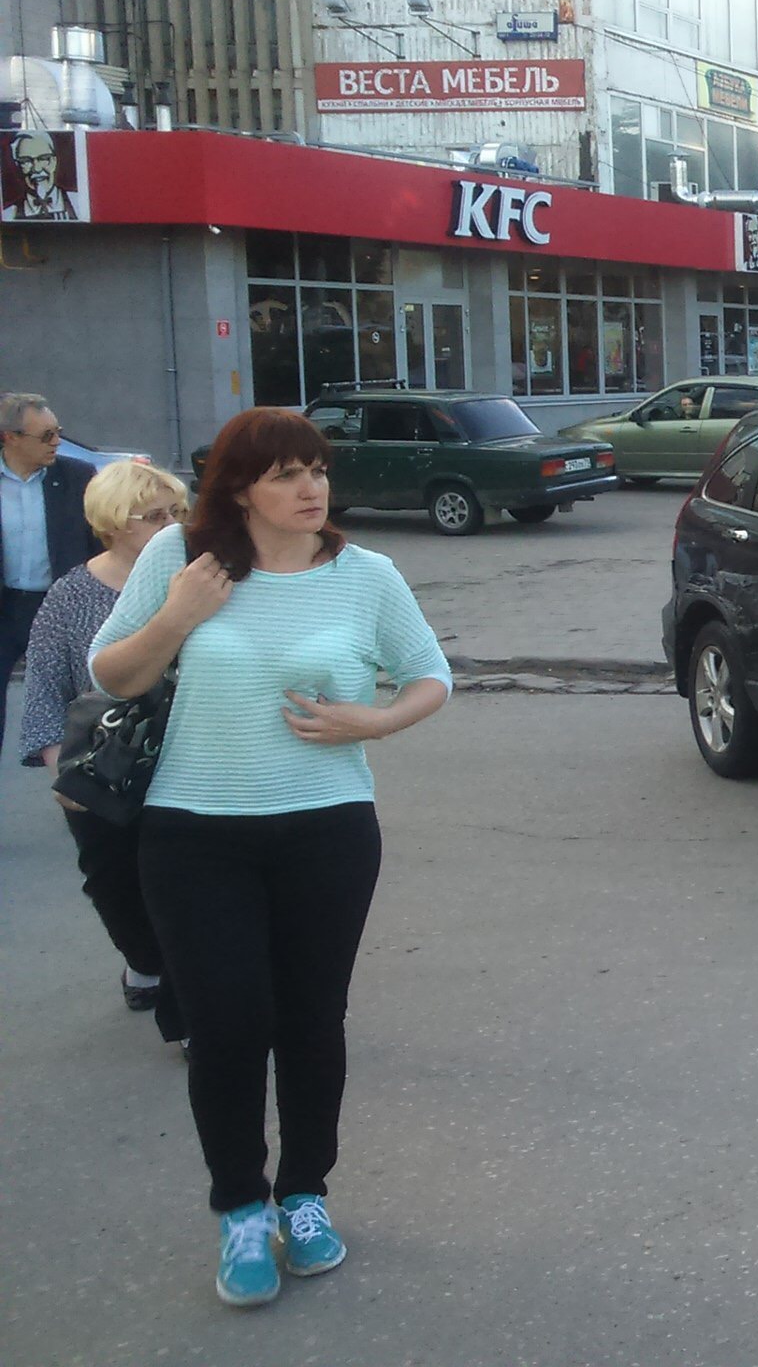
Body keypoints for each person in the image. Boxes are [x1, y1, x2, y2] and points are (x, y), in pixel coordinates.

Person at [91, 407, 452, 1310]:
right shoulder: (183, 561)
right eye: (287, 473)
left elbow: (431, 674)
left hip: (326, 828)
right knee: (225, 1024)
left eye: (319, 469)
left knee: (311, 1019)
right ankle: (239, 1210)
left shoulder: (367, 575)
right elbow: (113, 674)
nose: (311, 488)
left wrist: (371, 721)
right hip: (192, 832)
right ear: (240, 487)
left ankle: (304, 1196)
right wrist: (177, 617)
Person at [21, 460, 194, 1046]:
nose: (172, 525)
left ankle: (189, 1009)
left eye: (178, 513)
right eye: (156, 516)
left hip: (185, 764)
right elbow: (45, 685)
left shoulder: (196, 580)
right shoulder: (72, 594)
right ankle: (142, 959)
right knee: (112, 884)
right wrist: (60, 770)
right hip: (102, 768)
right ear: (115, 524)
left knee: (182, 891)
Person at [2, 391, 100, 752]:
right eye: (46, 436)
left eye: (57, 431)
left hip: (60, 605)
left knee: (78, 701)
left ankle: (87, 781)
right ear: (9, 438)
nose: (57, 442)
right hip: (7, 606)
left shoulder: (78, 476)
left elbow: (98, 542)